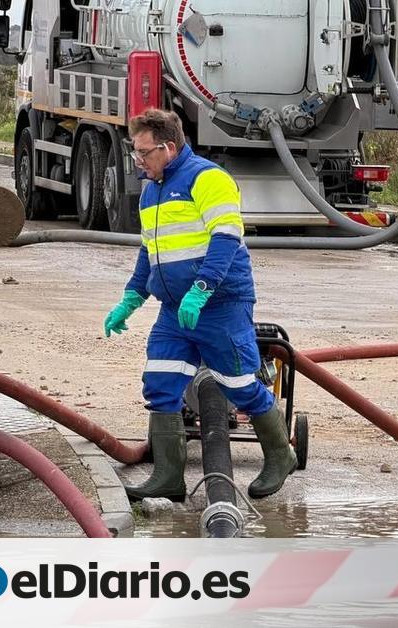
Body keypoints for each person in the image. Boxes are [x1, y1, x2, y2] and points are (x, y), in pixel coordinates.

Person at [103, 108, 296, 501]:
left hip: (219, 306)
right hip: (175, 311)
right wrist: (132, 296)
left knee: (240, 385)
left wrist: (201, 289)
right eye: (134, 152)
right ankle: (169, 478)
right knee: (160, 384)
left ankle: (281, 455)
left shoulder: (208, 180)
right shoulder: (151, 189)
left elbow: (225, 239)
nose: (137, 161)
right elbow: (150, 250)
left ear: (168, 147)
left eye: (144, 153)